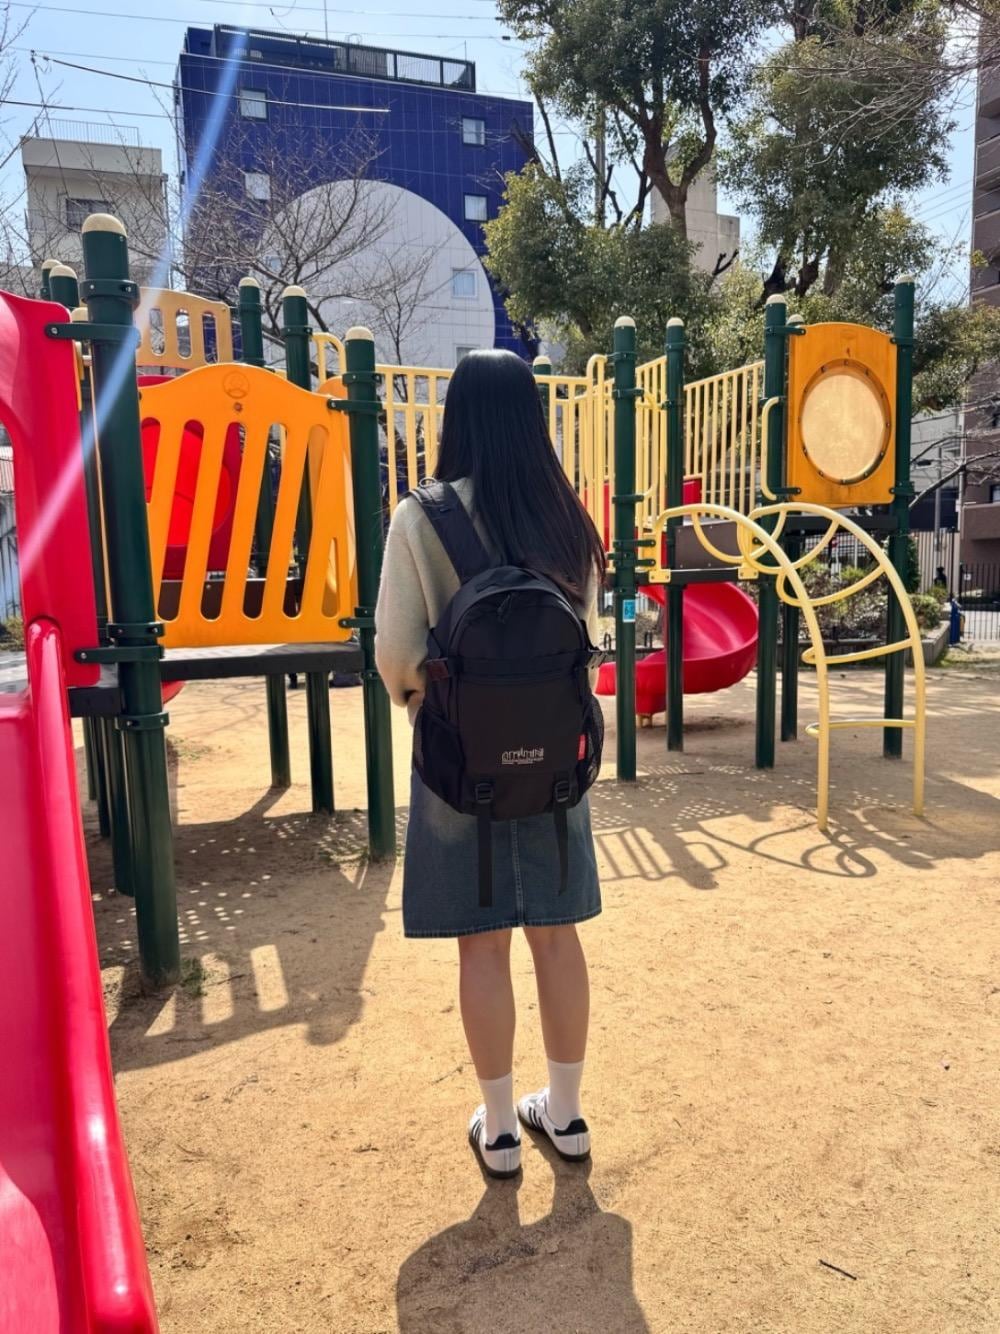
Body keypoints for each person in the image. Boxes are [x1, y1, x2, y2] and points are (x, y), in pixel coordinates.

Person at [375, 350, 605, 1179]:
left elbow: (398, 655)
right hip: (554, 761)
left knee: (481, 947)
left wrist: (430, 702)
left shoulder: (421, 517)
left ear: (458, 419)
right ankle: (567, 1115)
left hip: (457, 761)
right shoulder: (568, 518)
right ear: (533, 420)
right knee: (556, 935)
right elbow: (585, 645)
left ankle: (502, 1130)